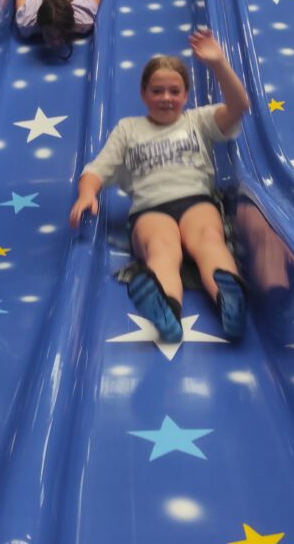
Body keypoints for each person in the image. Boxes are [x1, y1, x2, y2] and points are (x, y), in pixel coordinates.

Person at [69, 28, 250, 342]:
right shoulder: (129, 129)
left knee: (209, 240)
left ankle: (229, 300)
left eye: (174, 91)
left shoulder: (198, 120)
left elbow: (239, 106)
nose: (166, 97)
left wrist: (219, 64)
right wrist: (86, 194)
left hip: (196, 201)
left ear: (186, 96)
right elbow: (96, 170)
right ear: (143, 94)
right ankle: (166, 310)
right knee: (162, 249)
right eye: (157, 91)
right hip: (150, 209)